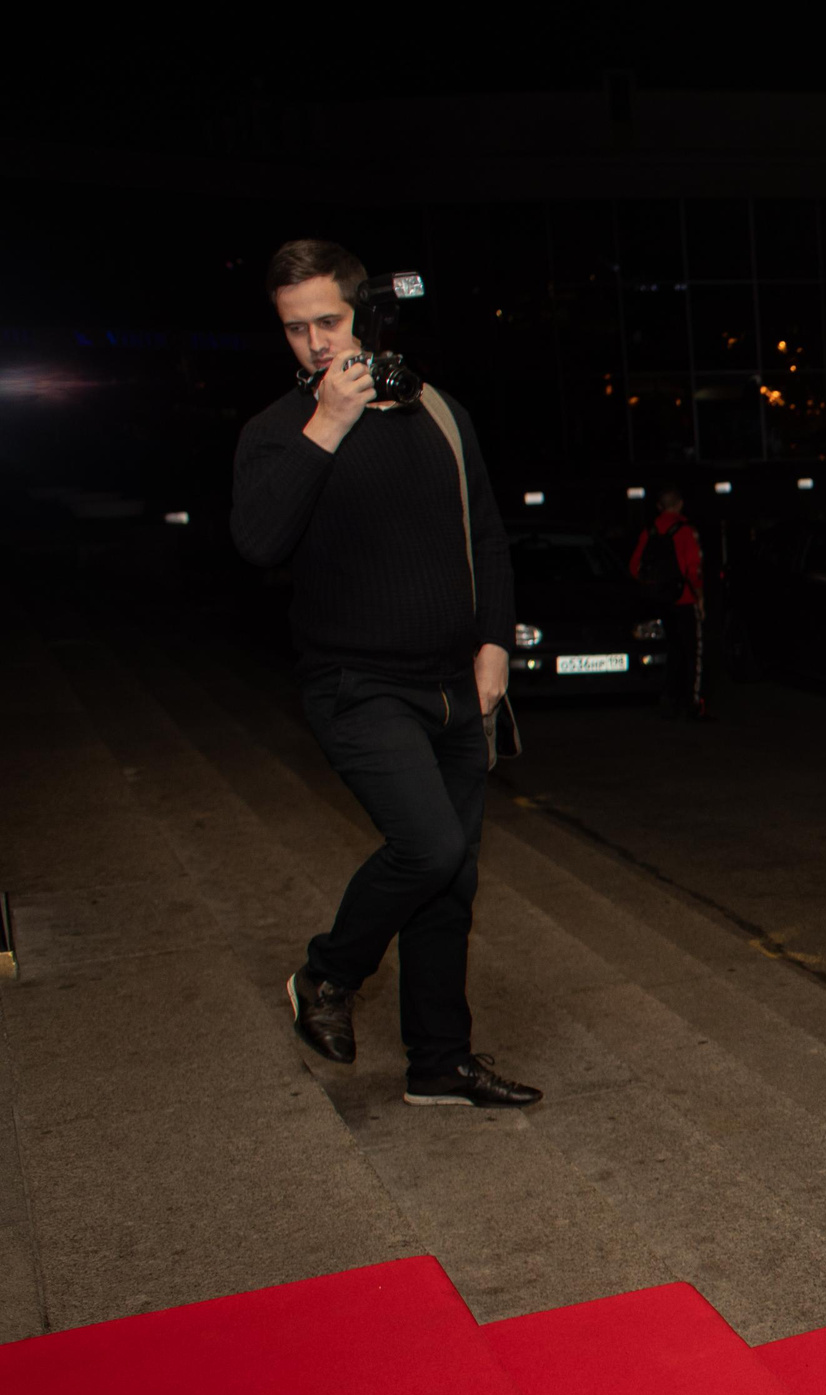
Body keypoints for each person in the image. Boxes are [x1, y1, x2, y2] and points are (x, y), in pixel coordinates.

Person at [232, 238, 541, 1111]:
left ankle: (439, 1062)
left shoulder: (437, 412)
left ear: (363, 314)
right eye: (297, 330)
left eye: (329, 322)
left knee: (453, 882)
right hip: (356, 686)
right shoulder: (275, 433)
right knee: (428, 846)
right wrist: (325, 424)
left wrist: (494, 646)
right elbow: (258, 543)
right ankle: (327, 974)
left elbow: (485, 533)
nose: (316, 345)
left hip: (455, 682)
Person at [630, 488, 709, 719]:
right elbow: (693, 568)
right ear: (681, 504)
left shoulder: (650, 531)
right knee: (693, 651)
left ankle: (670, 697)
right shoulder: (685, 531)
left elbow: (634, 567)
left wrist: (654, 585)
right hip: (683, 598)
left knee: (672, 648)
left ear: (659, 507)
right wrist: (700, 597)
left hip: (660, 602)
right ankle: (692, 703)